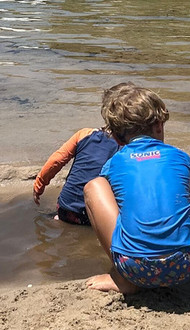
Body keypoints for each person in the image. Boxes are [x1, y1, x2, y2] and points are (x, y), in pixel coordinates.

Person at [83, 84, 190, 293]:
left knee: (94, 186)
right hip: (188, 264)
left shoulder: (114, 163)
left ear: (116, 138)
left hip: (134, 268)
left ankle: (122, 279)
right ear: (159, 126)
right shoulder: (179, 156)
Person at [30, 83, 132, 225]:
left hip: (66, 208)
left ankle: (61, 219)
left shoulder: (84, 134)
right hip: (95, 216)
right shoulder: (128, 148)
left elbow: (56, 161)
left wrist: (39, 185)